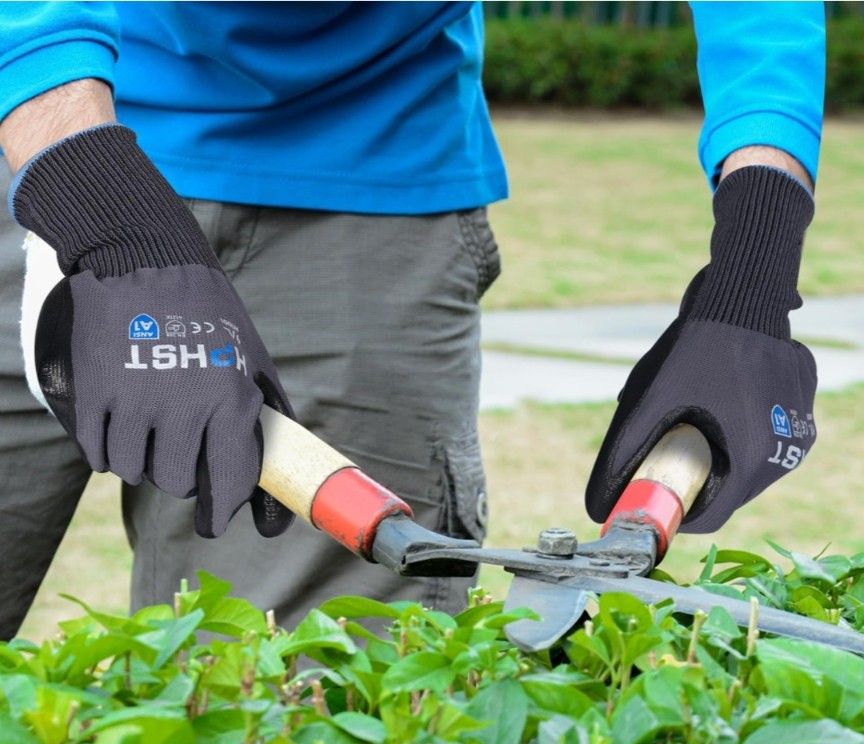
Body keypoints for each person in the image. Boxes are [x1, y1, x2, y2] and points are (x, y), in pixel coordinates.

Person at [0, 2, 824, 640]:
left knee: (300, 734)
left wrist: (756, 265)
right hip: (35, 121)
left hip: (360, 183)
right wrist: (95, 195)